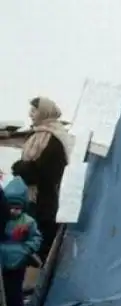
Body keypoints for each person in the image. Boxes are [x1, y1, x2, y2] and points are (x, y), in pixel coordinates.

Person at [12, 97, 70, 263]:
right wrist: (23, 168)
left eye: (34, 110)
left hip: (47, 200)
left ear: (44, 112)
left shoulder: (55, 137)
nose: (30, 114)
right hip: (33, 198)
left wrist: (22, 168)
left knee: (44, 241)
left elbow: (50, 172)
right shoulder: (35, 136)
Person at [0, 178, 42, 306]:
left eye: (17, 207)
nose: (13, 211)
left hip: (18, 261)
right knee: (6, 291)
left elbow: (36, 238)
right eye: (11, 207)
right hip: (5, 260)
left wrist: (27, 249)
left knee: (15, 291)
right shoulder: (4, 220)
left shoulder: (28, 222)